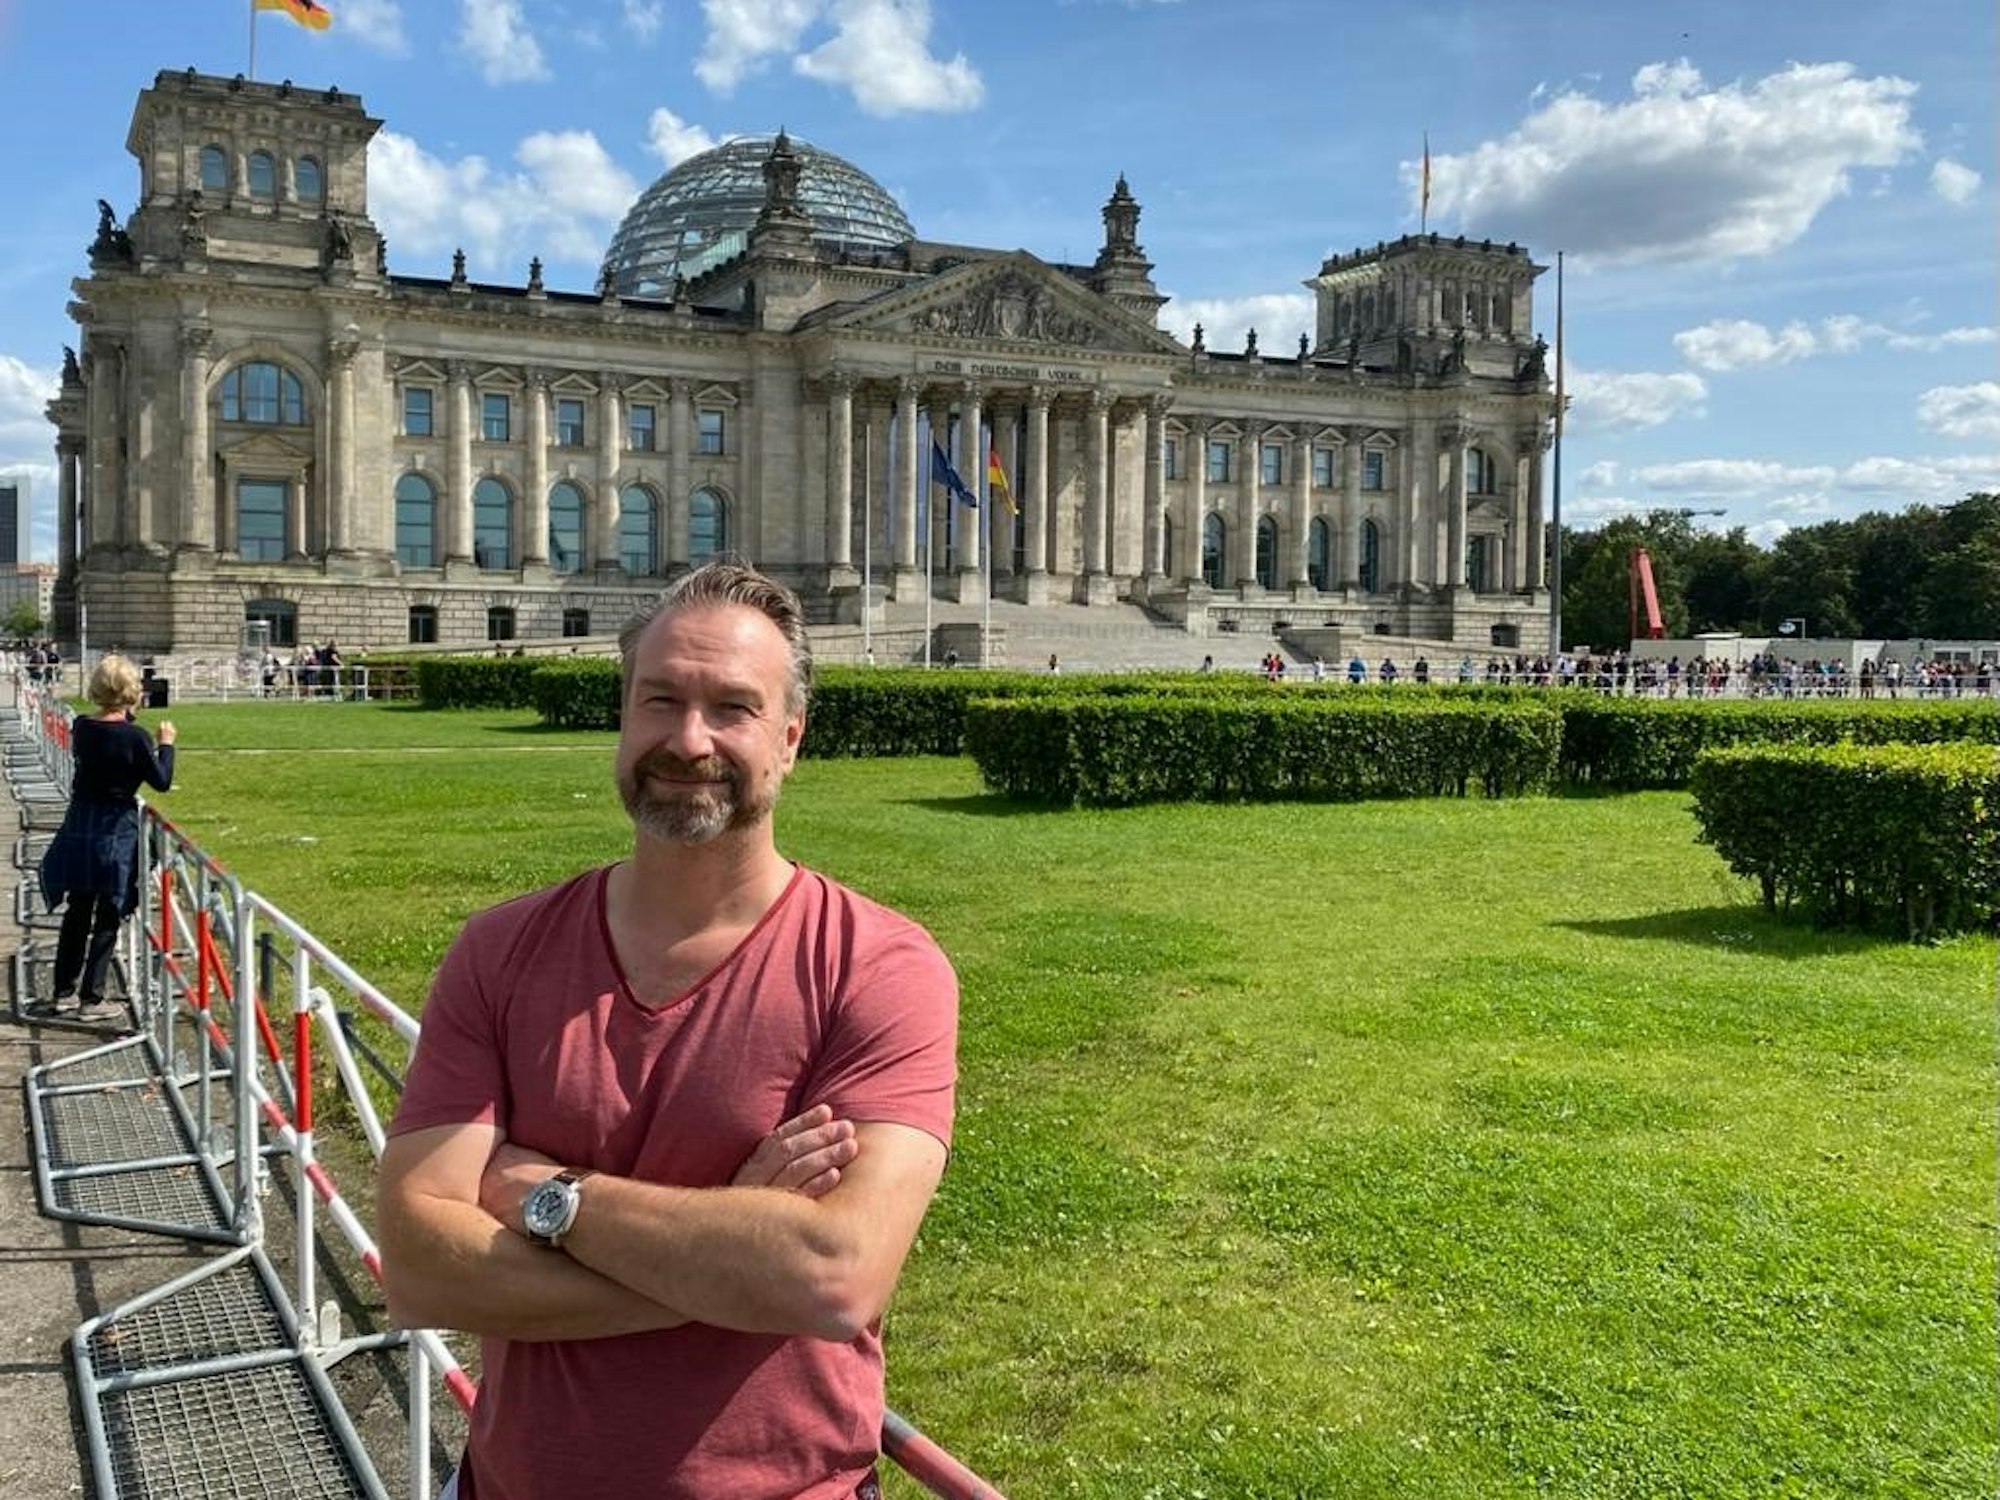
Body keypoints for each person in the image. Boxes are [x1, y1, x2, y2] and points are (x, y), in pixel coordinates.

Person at [378, 562, 958, 1500]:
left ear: (790, 739)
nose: (689, 740)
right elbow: (418, 1267)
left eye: (732, 707)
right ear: (623, 717)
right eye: (661, 701)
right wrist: (727, 1263)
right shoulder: (499, 950)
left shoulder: (881, 965)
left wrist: (541, 1193)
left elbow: (832, 1278)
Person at [36, 654, 176, 1019]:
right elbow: (161, 780)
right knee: (109, 912)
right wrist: (166, 744)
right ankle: (91, 999)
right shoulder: (135, 737)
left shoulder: (82, 727)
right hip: (115, 827)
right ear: (132, 691)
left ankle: (62, 991)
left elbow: (105, 741)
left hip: (81, 823)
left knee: (78, 909)